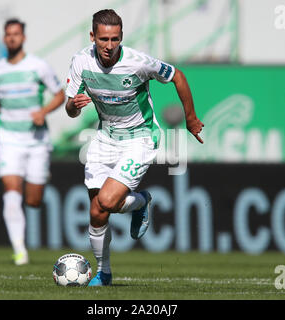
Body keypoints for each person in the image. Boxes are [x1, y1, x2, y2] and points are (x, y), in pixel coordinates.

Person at [65, 9, 204, 286]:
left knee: (106, 201)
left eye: (115, 39)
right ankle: (103, 273)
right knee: (96, 211)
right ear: (93, 36)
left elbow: (178, 76)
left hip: (140, 138)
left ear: (121, 37)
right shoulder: (81, 62)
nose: (109, 45)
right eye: (103, 39)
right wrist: (73, 106)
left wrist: (190, 118)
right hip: (105, 138)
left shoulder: (138, 62)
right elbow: (70, 110)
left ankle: (141, 201)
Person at [0, 18, 65, 265]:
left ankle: (40, 178)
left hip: (36, 139)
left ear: (23, 38)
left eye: (16, 34)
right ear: (3, 38)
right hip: (8, 138)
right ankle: (20, 250)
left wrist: (43, 111)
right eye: (8, 34)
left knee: (33, 200)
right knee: (11, 192)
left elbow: (60, 94)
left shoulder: (38, 66)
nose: (12, 38)